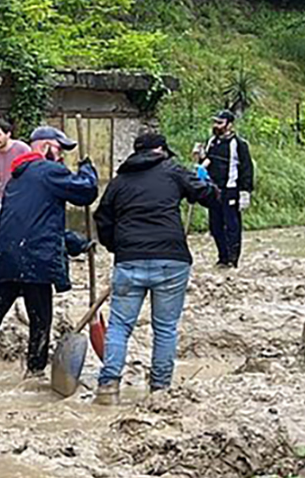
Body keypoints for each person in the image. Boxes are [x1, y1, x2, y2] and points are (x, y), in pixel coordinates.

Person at [0, 125, 99, 385]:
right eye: (59, 149)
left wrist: (76, 243)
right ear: (44, 146)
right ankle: (34, 371)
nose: (62, 155)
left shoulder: (16, 177)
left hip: (5, 255)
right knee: (40, 316)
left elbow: (35, 222)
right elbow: (86, 192)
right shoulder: (50, 171)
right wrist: (87, 168)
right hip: (36, 258)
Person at [92, 131, 220, 404]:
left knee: (118, 327)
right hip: (171, 260)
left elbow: (102, 217)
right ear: (161, 150)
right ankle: (160, 390)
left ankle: (108, 386)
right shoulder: (172, 171)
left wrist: (116, 246)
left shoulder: (119, 181)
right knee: (165, 327)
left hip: (129, 260)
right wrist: (207, 182)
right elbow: (208, 196)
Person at [198, 110, 255, 268]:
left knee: (231, 225)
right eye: (215, 122)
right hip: (212, 189)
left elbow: (247, 168)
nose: (216, 126)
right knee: (215, 226)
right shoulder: (212, 141)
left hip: (231, 189)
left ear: (229, 125)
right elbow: (207, 162)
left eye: (220, 123)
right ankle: (222, 258)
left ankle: (232, 260)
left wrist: (245, 192)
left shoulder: (239, 144)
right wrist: (201, 158)